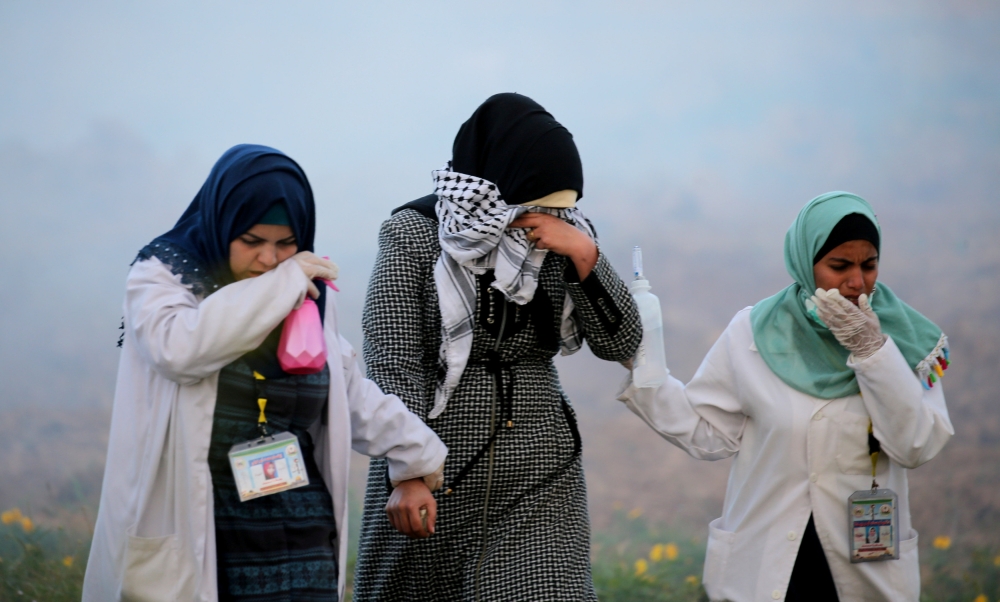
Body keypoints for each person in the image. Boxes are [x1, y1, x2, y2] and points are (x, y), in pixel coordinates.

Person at [83, 144, 448, 602]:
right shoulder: (164, 279)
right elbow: (179, 349)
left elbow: (347, 388)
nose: (270, 259)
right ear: (222, 226)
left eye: (285, 243)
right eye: (252, 242)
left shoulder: (304, 289)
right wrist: (284, 285)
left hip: (301, 531)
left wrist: (416, 460)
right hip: (207, 532)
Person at [352, 93, 642, 601]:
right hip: (435, 466)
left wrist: (584, 254)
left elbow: (623, 341)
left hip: (539, 469)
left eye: (560, 207)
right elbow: (393, 359)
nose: (547, 217)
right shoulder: (413, 235)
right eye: (538, 203)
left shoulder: (561, 237)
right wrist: (410, 470)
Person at [618, 192, 953, 602]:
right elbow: (708, 432)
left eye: (869, 265)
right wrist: (644, 367)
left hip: (864, 576)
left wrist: (873, 352)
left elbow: (915, 445)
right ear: (803, 262)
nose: (856, 282)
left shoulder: (910, 342)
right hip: (763, 572)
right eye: (839, 266)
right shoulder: (754, 332)